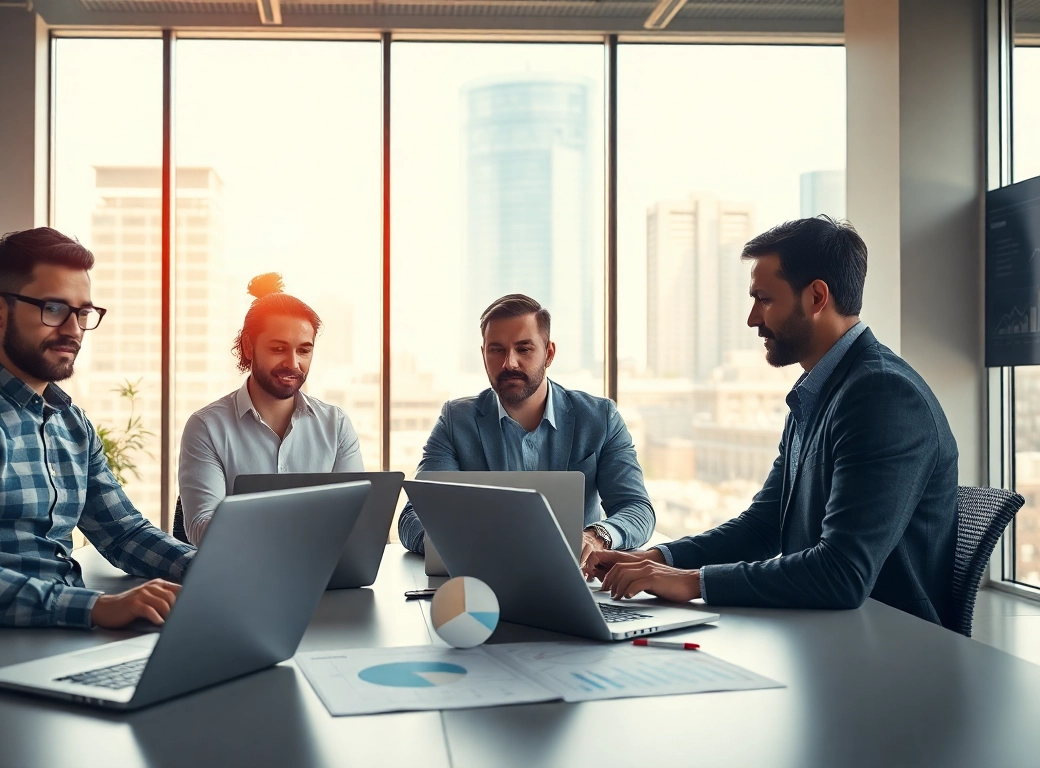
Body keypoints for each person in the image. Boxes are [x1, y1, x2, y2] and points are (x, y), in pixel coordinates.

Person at [584, 217, 959, 626]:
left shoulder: (883, 395)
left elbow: (842, 574)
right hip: (827, 634)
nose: (751, 318)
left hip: (891, 649)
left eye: (764, 299)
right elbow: (763, 528)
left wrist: (693, 582)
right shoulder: (819, 391)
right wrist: (654, 560)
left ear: (817, 296)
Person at [0, 227, 192, 630]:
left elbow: (124, 535)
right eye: (53, 308)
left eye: (83, 313)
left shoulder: (71, 422)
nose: (73, 330)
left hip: (55, 634)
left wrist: (215, 570)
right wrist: (98, 608)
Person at [398, 294, 655, 563]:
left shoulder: (600, 418)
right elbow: (413, 517)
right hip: (480, 583)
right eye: (496, 349)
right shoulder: (456, 421)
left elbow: (637, 508)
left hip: (574, 578)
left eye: (524, 349)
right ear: (483, 354)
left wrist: (595, 536)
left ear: (549, 354)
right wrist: (474, 544)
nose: (509, 363)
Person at [178, 273, 363, 545]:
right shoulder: (206, 427)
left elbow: (357, 521)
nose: (293, 363)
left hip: (325, 579)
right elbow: (201, 529)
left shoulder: (335, 425)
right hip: (239, 578)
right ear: (248, 347)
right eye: (278, 348)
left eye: (304, 351)